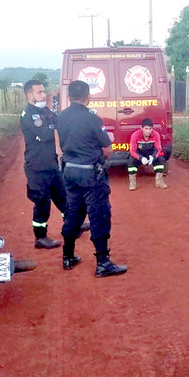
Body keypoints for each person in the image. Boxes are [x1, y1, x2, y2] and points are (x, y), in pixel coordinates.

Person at [56, 80, 127, 278]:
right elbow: (107, 149)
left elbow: (61, 145)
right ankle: (103, 263)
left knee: (73, 213)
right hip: (91, 175)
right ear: (88, 96)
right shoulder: (92, 119)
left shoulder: (60, 117)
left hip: (69, 172)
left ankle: (68, 256)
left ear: (69, 96)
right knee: (99, 215)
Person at [20, 79, 68, 249]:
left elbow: (58, 122)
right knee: (42, 203)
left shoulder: (45, 111)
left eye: (43, 91)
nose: (43, 94)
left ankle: (71, 226)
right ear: (29, 95)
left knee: (63, 197)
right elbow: (46, 134)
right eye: (39, 92)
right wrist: (52, 126)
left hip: (51, 164)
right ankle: (40, 238)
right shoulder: (29, 115)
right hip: (36, 167)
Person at [127, 118, 168, 191]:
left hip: (151, 154)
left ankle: (159, 181)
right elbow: (132, 151)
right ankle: (132, 183)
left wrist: (153, 157)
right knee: (131, 161)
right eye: (146, 129)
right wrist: (141, 158)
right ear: (141, 128)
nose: (148, 131)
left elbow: (158, 149)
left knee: (161, 160)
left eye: (150, 129)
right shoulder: (135, 135)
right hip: (139, 154)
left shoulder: (156, 135)